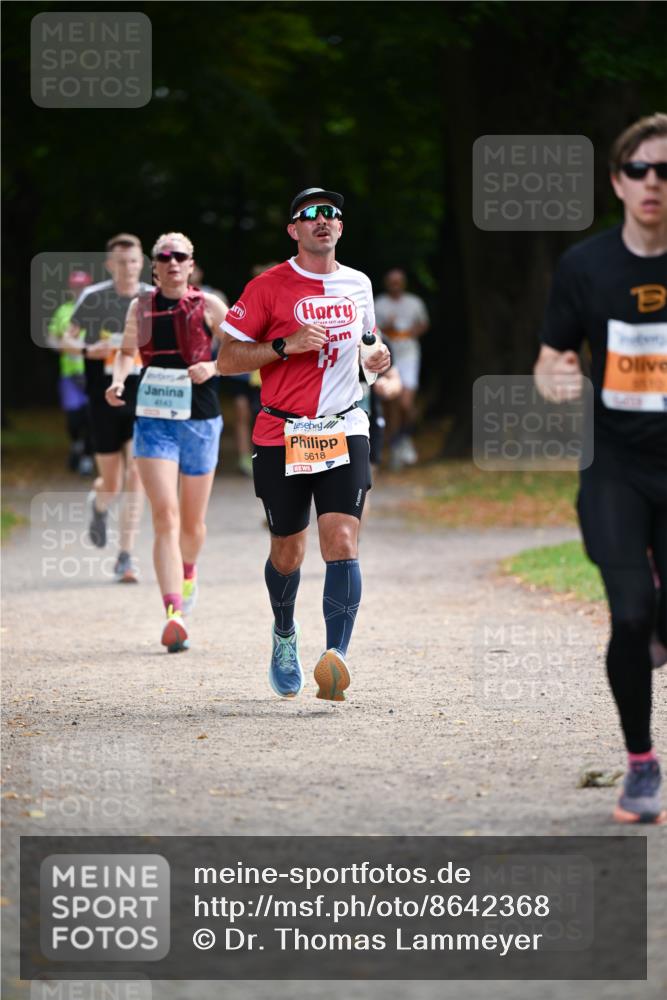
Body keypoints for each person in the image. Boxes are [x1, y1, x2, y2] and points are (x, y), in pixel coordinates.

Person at [534, 112, 667, 825]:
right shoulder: (584, 266)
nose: (652, 182)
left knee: (658, 618)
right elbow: (550, 355)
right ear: (617, 181)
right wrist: (553, 377)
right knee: (628, 613)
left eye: (665, 171)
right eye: (639, 169)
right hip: (613, 465)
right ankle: (640, 764)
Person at [217, 187, 390, 699]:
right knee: (288, 552)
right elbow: (227, 359)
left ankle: (336, 658)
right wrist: (282, 347)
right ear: (293, 229)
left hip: (343, 426)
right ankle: (285, 633)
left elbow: (369, 345)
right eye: (310, 214)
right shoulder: (268, 286)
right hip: (281, 431)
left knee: (341, 540)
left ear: (341, 228)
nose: (323, 220)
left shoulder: (358, 284)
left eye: (331, 214)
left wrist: (379, 360)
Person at [106, 232, 227, 652]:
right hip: (153, 419)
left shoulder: (210, 305)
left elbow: (242, 351)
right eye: (165, 257)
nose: (173, 262)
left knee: (192, 524)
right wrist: (119, 380)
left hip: (201, 420)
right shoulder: (139, 308)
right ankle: (173, 613)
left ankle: (189, 571)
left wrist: (211, 366)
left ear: (191, 264)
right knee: (166, 517)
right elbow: (125, 352)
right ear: (154, 266)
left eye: (181, 256)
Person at [62, 234, 151, 582]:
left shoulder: (150, 297)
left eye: (133, 260)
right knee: (111, 482)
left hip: (141, 395)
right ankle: (98, 506)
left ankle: (125, 556)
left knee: (137, 475)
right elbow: (66, 338)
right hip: (102, 398)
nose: (127, 267)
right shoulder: (94, 297)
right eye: (120, 261)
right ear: (109, 264)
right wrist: (89, 350)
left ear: (141, 262)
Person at [373, 268, 429, 469]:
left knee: (405, 403)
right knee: (390, 404)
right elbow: (372, 330)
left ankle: (404, 437)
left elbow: (423, 324)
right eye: (392, 281)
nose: (395, 285)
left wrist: (413, 331)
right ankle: (395, 445)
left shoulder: (414, 302)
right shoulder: (379, 304)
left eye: (399, 281)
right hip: (387, 356)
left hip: (409, 355)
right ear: (387, 283)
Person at [47, 269, 94, 475]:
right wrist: (61, 345)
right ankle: (76, 443)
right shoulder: (63, 311)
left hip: (93, 372)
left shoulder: (97, 309)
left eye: (82, 287)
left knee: (91, 417)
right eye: (76, 287)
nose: (79, 291)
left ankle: (87, 457)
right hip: (70, 374)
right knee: (74, 419)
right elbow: (51, 337)